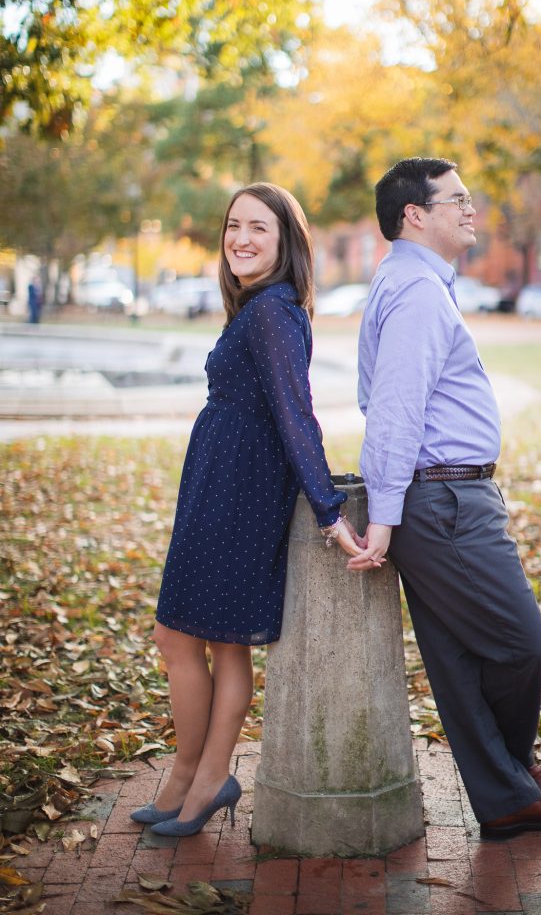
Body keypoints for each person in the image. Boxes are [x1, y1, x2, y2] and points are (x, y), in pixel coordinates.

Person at [348, 157, 541, 839]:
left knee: (455, 661)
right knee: (520, 644)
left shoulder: (411, 282)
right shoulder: (417, 291)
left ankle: (504, 795)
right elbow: (394, 410)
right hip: (444, 502)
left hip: (439, 498)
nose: (469, 209)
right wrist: (386, 518)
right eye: (454, 200)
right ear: (412, 215)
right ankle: (510, 775)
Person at [132, 182, 362, 837]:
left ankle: (196, 780)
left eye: (258, 227)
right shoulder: (261, 308)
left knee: (178, 637)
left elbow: (296, 415)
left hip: (239, 497)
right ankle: (196, 781)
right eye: (234, 225)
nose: (241, 238)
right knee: (223, 646)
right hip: (220, 485)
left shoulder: (271, 314)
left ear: (286, 241)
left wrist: (328, 510)